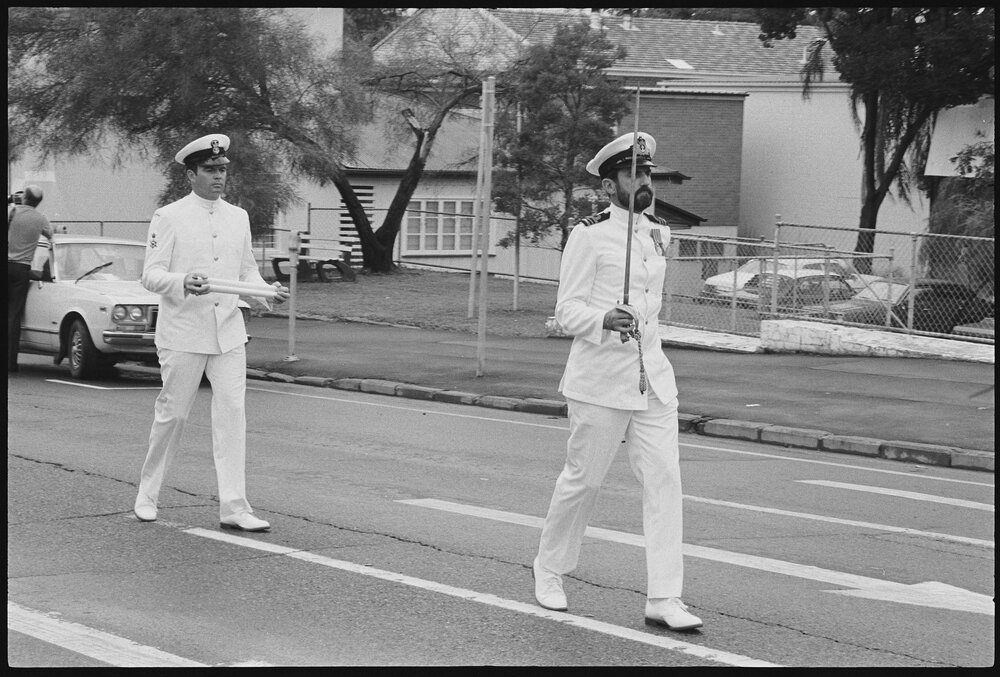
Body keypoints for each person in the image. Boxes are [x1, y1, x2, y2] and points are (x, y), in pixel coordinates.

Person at [532, 132, 702, 631]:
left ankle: (665, 597)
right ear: (611, 183)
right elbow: (566, 310)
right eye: (634, 173)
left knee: (665, 485)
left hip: (653, 379)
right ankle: (550, 570)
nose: (645, 180)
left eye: (648, 172)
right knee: (583, 480)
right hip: (600, 380)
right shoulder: (589, 235)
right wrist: (604, 318)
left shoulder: (659, 232)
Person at [133, 133, 289, 532]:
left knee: (233, 417)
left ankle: (234, 507)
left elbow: (245, 270)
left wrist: (265, 293)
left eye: (222, 170)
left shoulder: (238, 217)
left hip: (228, 332)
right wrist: (184, 280)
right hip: (184, 331)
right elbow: (150, 275)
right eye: (210, 170)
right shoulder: (169, 216)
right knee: (173, 415)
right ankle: (147, 494)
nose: (219, 176)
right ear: (192, 174)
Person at [7, 185, 53, 374]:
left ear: (24, 197)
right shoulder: (40, 219)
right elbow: (51, 236)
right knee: (14, 315)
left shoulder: (13, 212)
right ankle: (11, 362)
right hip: (22, 269)